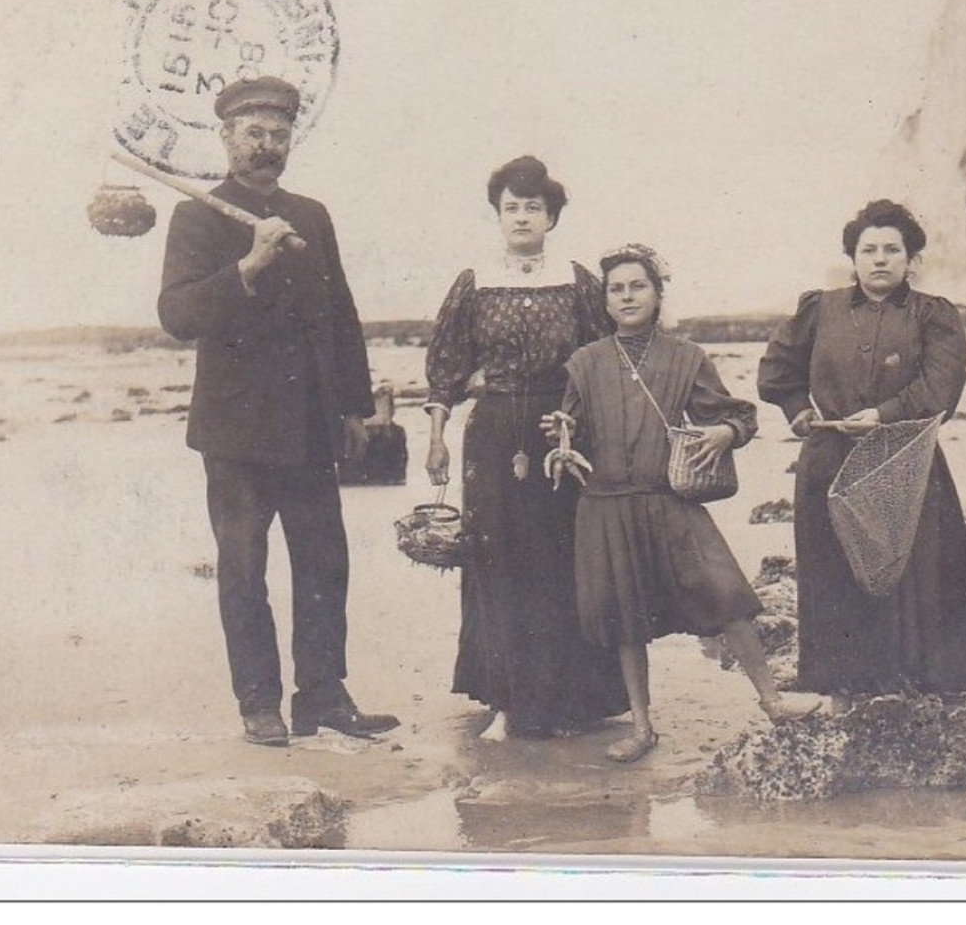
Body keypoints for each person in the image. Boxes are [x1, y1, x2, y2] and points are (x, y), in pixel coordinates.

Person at [157, 76, 399, 747]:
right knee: (242, 566)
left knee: (324, 562)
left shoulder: (311, 215)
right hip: (234, 431)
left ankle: (322, 697)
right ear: (227, 137)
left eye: (278, 134)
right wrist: (250, 263)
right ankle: (258, 703)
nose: (266, 146)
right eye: (253, 133)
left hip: (311, 425)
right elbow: (176, 315)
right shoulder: (199, 216)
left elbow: (340, 315)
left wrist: (354, 409)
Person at [548, 245, 824, 763]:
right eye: (616, 289)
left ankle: (773, 700)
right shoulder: (585, 363)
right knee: (624, 619)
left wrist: (723, 431)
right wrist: (560, 444)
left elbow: (740, 415)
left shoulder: (685, 357)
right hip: (606, 507)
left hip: (668, 501)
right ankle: (643, 727)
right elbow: (570, 427)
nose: (627, 296)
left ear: (657, 294)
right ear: (604, 300)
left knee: (725, 595)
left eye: (638, 286)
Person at [758, 199, 966, 703]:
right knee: (834, 573)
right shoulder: (819, 309)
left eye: (892, 249)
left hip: (907, 462)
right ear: (852, 256)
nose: (879, 260)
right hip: (831, 463)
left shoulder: (935, 315)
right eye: (868, 250)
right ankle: (844, 690)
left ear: (910, 258)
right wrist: (797, 410)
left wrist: (884, 415)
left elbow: (941, 389)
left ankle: (936, 685)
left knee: (927, 570)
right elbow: (776, 372)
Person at [424, 156, 629, 740]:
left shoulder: (578, 278)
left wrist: (585, 424)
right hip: (490, 435)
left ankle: (571, 699)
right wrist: (436, 436)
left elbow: (605, 355)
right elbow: (445, 366)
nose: (521, 217)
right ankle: (506, 698)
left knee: (563, 558)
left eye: (532, 207)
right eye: (510, 207)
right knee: (498, 560)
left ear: (552, 215)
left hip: (561, 432)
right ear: (497, 215)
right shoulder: (475, 280)